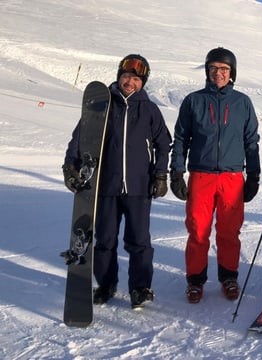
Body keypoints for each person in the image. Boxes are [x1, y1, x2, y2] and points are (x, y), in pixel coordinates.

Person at [63, 54, 172, 309]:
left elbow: (164, 144)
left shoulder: (150, 109)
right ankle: (106, 284)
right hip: (106, 186)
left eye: (135, 79)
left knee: (139, 241)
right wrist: (70, 165)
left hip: (139, 187)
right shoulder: (103, 105)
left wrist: (160, 174)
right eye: (126, 77)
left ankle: (140, 288)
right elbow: (80, 139)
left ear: (142, 82)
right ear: (118, 77)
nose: (130, 82)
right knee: (105, 240)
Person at [170, 47, 261, 304]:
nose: (218, 73)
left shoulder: (242, 102)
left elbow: (251, 139)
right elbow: (180, 138)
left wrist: (253, 173)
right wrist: (177, 170)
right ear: (207, 71)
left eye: (223, 69)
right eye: (213, 69)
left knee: (229, 230)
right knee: (198, 230)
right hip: (201, 175)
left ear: (232, 73)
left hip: (232, 177)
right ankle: (195, 281)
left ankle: (229, 276)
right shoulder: (193, 101)